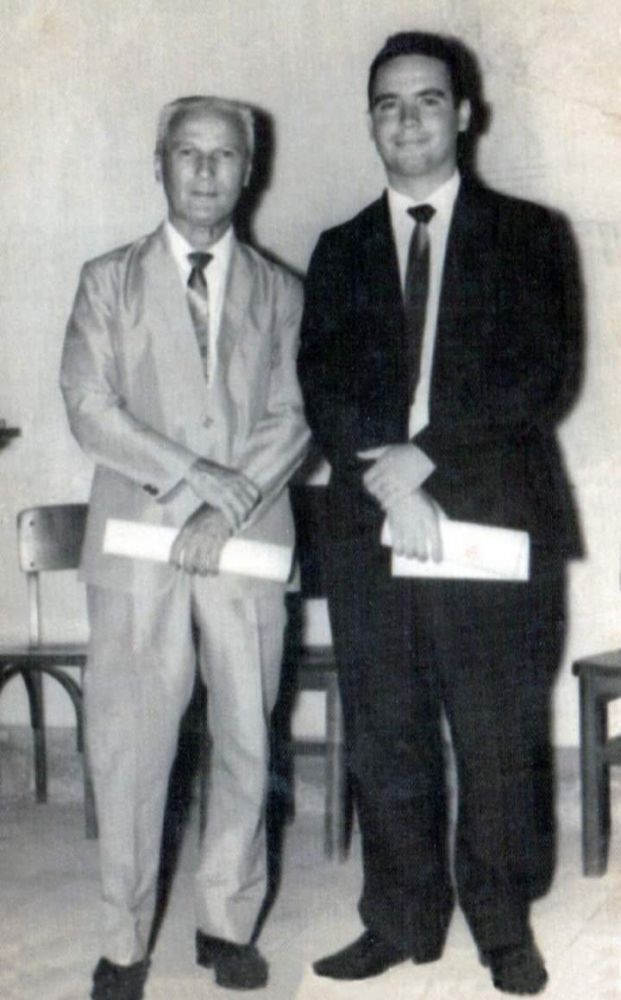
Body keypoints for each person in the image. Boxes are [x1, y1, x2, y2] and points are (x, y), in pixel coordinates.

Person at [298, 32, 582, 996]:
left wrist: (428, 457)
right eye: (387, 104)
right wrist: (390, 480)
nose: (407, 119)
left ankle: (503, 927)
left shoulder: (530, 234)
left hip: (494, 514)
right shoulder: (338, 250)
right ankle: (400, 920)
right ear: (369, 121)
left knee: (498, 735)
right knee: (387, 732)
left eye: (426, 100)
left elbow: (540, 373)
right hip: (369, 524)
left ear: (462, 114)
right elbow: (324, 385)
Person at [60, 95, 309, 999]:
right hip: (136, 545)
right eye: (188, 153)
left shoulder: (284, 293)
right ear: (158, 163)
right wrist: (193, 476)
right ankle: (123, 941)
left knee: (245, 737)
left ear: (250, 171)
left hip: (244, 543)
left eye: (224, 155)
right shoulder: (107, 281)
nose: (205, 170)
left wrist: (222, 513)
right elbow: (89, 406)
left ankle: (225, 924)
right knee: (129, 747)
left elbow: (294, 417)